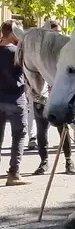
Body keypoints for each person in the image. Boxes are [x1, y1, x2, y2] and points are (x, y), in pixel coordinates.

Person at [28, 20, 75, 176]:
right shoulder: (39, 53)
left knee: (64, 129)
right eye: (54, 33)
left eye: (59, 32)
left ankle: (69, 161)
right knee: (42, 131)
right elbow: (31, 73)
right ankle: (44, 162)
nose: (58, 36)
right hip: (41, 97)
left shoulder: (66, 51)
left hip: (59, 98)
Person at [1, 21, 29, 186]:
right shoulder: (17, 52)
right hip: (16, 100)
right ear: (12, 33)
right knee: (18, 137)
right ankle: (14, 174)